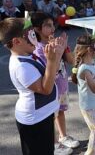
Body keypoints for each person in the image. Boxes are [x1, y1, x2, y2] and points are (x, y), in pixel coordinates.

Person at [0, 17, 66, 155]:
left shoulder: (29, 55)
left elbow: (49, 74)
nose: (34, 38)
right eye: (30, 35)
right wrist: (52, 61)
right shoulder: (21, 66)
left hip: (43, 115)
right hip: (34, 120)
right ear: (17, 41)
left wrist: (57, 55)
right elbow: (45, 89)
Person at [31, 12, 79, 154]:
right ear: (37, 29)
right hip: (50, 89)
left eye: (53, 25)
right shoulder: (38, 49)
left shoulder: (56, 43)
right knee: (50, 117)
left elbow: (72, 61)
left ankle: (63, 136)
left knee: (60, 113)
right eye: (48, 26)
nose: (53, 29)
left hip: (62, 87)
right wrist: (56, 53)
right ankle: (54, 145)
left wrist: (64, 47)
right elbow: (48, 69)